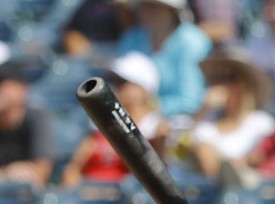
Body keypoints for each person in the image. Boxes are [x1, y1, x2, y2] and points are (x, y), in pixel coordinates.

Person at [61, 53, 167, 187]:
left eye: (123, 82)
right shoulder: (99, 125)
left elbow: (160, 177)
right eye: (115, 80)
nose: (116, 87)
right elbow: (73, 169)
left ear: (143, 89)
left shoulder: (157, 128)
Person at [183, 47, 275, 186]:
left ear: (245, 85)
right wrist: (203, 109)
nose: (223, 84)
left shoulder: (261, 122)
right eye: (218, 78)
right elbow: (181, 150)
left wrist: (238, 163)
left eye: (230, 78)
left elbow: (263, 157)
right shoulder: (207, 124)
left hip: (250, 187)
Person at [116, 0, 213, 121]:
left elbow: (190, 101)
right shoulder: (131, 39)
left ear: (171, 11)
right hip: (133, 117)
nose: (149, 11)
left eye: (156, 6)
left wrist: (148, 109)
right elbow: (117, 85)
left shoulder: (191, 41)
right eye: (145, 6)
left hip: (181, 122)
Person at [0, 60, 55, 187]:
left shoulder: (36, 117)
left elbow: (41, 174)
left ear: (23, 90)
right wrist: (7, 173)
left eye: (4, 83)